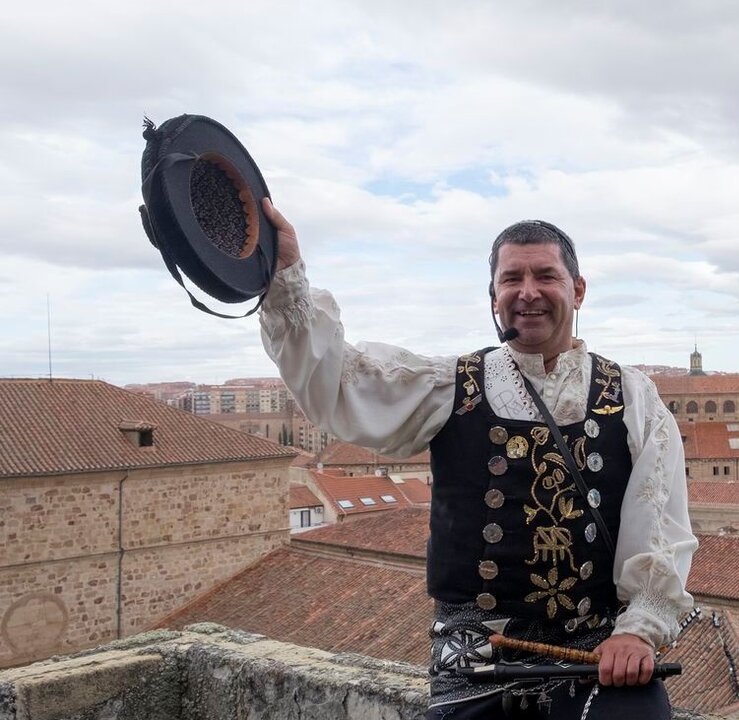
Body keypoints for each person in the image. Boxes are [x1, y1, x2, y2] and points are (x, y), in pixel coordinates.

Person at [257, 199, 697, 719]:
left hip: (596, 651)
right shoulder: (450, 386)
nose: (527, 292)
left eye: (545, 276)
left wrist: (639, 632)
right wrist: (285, 275)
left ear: (577, 290)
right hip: (474, 662)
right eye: (511, 279)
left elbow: (661, 524)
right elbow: (343, 382)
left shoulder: (632, 395)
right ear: (493, 298)